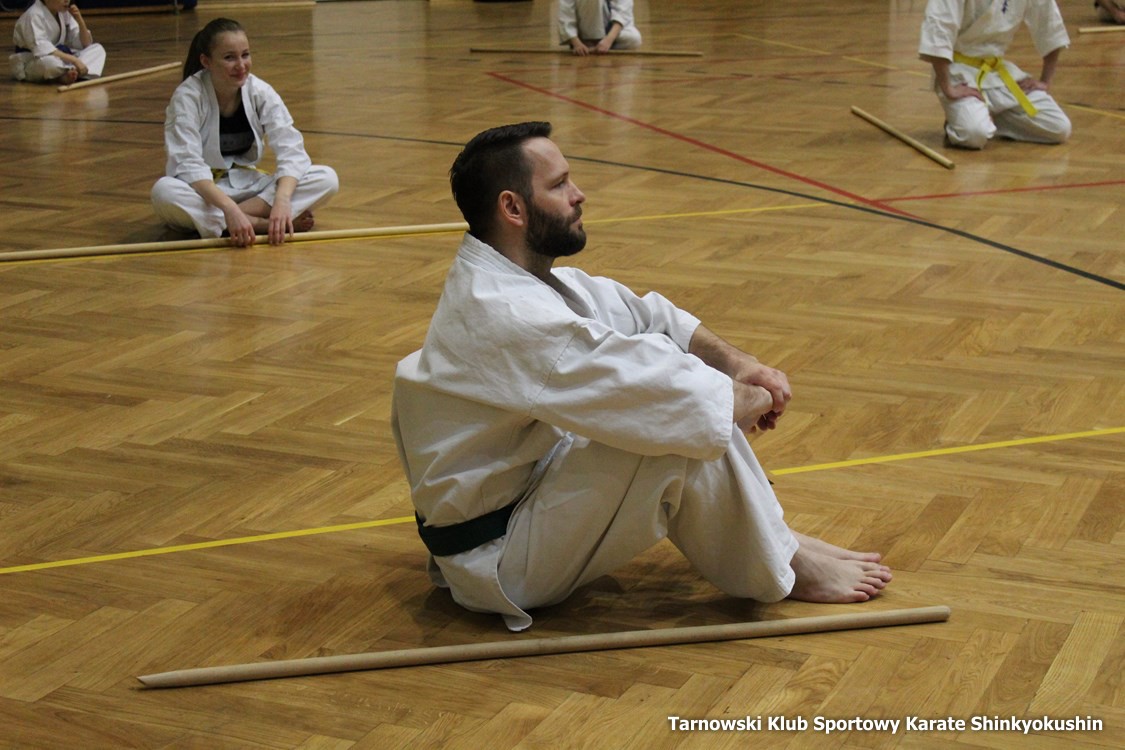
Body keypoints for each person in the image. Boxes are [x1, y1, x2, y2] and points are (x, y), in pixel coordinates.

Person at [391, 122, 892, 632]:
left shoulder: (520, 280)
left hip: (526, 500)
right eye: (559, 185)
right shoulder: (510, 314)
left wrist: (738, 366)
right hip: (499, 557)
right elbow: (673, 398)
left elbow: (648, 317)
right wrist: (754, 399)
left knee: (679, 391)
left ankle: (779, 539)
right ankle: (787, 565)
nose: (579, 195)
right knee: (673, 425)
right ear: (513, 208)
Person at [151, 18, 338, 246]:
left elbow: (291, 151)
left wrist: (282, 200)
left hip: (251, 187)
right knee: (164, 192)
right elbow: (187, 164)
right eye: (229, 57)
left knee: (326, 178)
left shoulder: (260, 91)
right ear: (206, 61)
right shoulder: (187, 96)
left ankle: (226, 223)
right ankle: (261, 224)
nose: (241, 65)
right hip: (205, 193)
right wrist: (228, 208)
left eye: (245, 55)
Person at [919, 0, 1072, 149]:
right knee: (973, 134)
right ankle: (960, 122)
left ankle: (990, 116)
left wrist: (1045, 81)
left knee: (1058, 127)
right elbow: (938, 29)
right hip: (959, 72)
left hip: (997, 73)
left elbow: (1049, 25)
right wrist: (948, 88)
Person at [10, 0, 105, 85]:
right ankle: (68, 73)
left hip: (61, 57)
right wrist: (75, 60)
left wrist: (79, 19)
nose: (67, 0)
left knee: (97, 49)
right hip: (32, 61)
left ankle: (70, 72)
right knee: (50, 63)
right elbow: (42, 49)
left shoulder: (63, 13)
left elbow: (85, 43)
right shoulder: (33, 15)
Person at [558, 0, 642, 56]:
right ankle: (590, 41)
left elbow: (623, 12)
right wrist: (576, 43)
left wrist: (609, 40)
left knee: (634, 38)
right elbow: (565, 15)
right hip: (584, 27)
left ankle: (599, 45)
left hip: (606, 26)